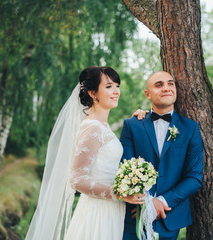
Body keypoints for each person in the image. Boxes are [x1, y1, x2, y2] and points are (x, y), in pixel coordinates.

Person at [26, 66, 146, 240]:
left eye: (117, 86)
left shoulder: (103, 127)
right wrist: (120, 194)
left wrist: (141, 116)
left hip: (111, 210)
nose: (116, 91)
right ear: (92, 93)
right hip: (97, 213)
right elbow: (77, 179)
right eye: (109, 86)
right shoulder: (92, 128)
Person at [120, 71, 204, 240]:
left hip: (170, 216)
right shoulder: (132, 125)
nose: (166, 88)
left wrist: (162, 202)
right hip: (135, 216)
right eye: (159, 85)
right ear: (147, 93)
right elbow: (124, 169)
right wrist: (147, 203)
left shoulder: (191, 128)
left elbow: (195, 177)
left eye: (170, 84)